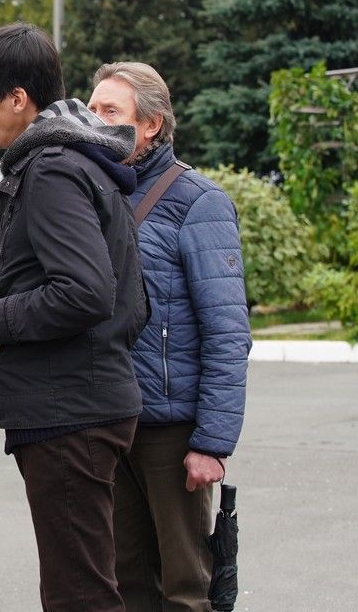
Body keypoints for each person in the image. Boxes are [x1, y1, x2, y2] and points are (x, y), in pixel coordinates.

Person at [0, 22, 147, 612]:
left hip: (69, 413)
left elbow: (87, 291)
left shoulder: (52, 169)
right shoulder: (78, 162)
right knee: (83, 586)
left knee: (79, 596)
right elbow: (130, 302)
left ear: (17, 98)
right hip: (80, 404)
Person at [88, 62, 250, 612]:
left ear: (151, 124)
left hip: (172, 433)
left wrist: (212, 443)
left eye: (111, 110)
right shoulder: (96, 191)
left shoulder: (199, 202)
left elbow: (227, 332)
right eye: (92, 108)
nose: (96, 120)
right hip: (111, 420)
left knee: (187, 587)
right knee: (126, 581)